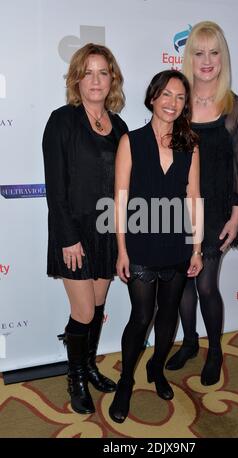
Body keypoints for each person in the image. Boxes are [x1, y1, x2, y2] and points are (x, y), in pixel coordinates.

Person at [166, 21, 238, 385]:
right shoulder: (178, 103)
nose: (207, 61)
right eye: (199, 53)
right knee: (182, 286)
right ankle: (189, 342)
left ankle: (215, 350)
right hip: (178, 210)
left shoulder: (235, 107)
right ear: (189, 57)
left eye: (214, 52)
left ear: (223, 57)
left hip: (218, 210)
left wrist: (236, 216)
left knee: (205, 285)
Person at [108, 70, 203, 423]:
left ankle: (157, 369)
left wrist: (196, 248)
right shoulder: (130, 141)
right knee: (142, 316)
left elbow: (193, 198)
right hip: (141, 245)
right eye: (166, 95)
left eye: (180, 97)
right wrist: (122, 250)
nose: (172, 103)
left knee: (168, 315)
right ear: (152, 98)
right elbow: (119, 201)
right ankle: (125, 380)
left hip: (177, 243)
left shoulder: (190, 145)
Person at [42, 43, 128, 414]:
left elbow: (126, 186)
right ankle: (75, 376)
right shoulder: (61, 121)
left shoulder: (120, 126)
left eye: (103, 72)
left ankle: (90, 365)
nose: (96, 80)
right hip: (74, 232)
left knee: (97, 303)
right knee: (84, 312)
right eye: (88, 72)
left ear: (113, 80)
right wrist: (67, 238)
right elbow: (55, 187)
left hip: (108, 231)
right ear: (76, 78)